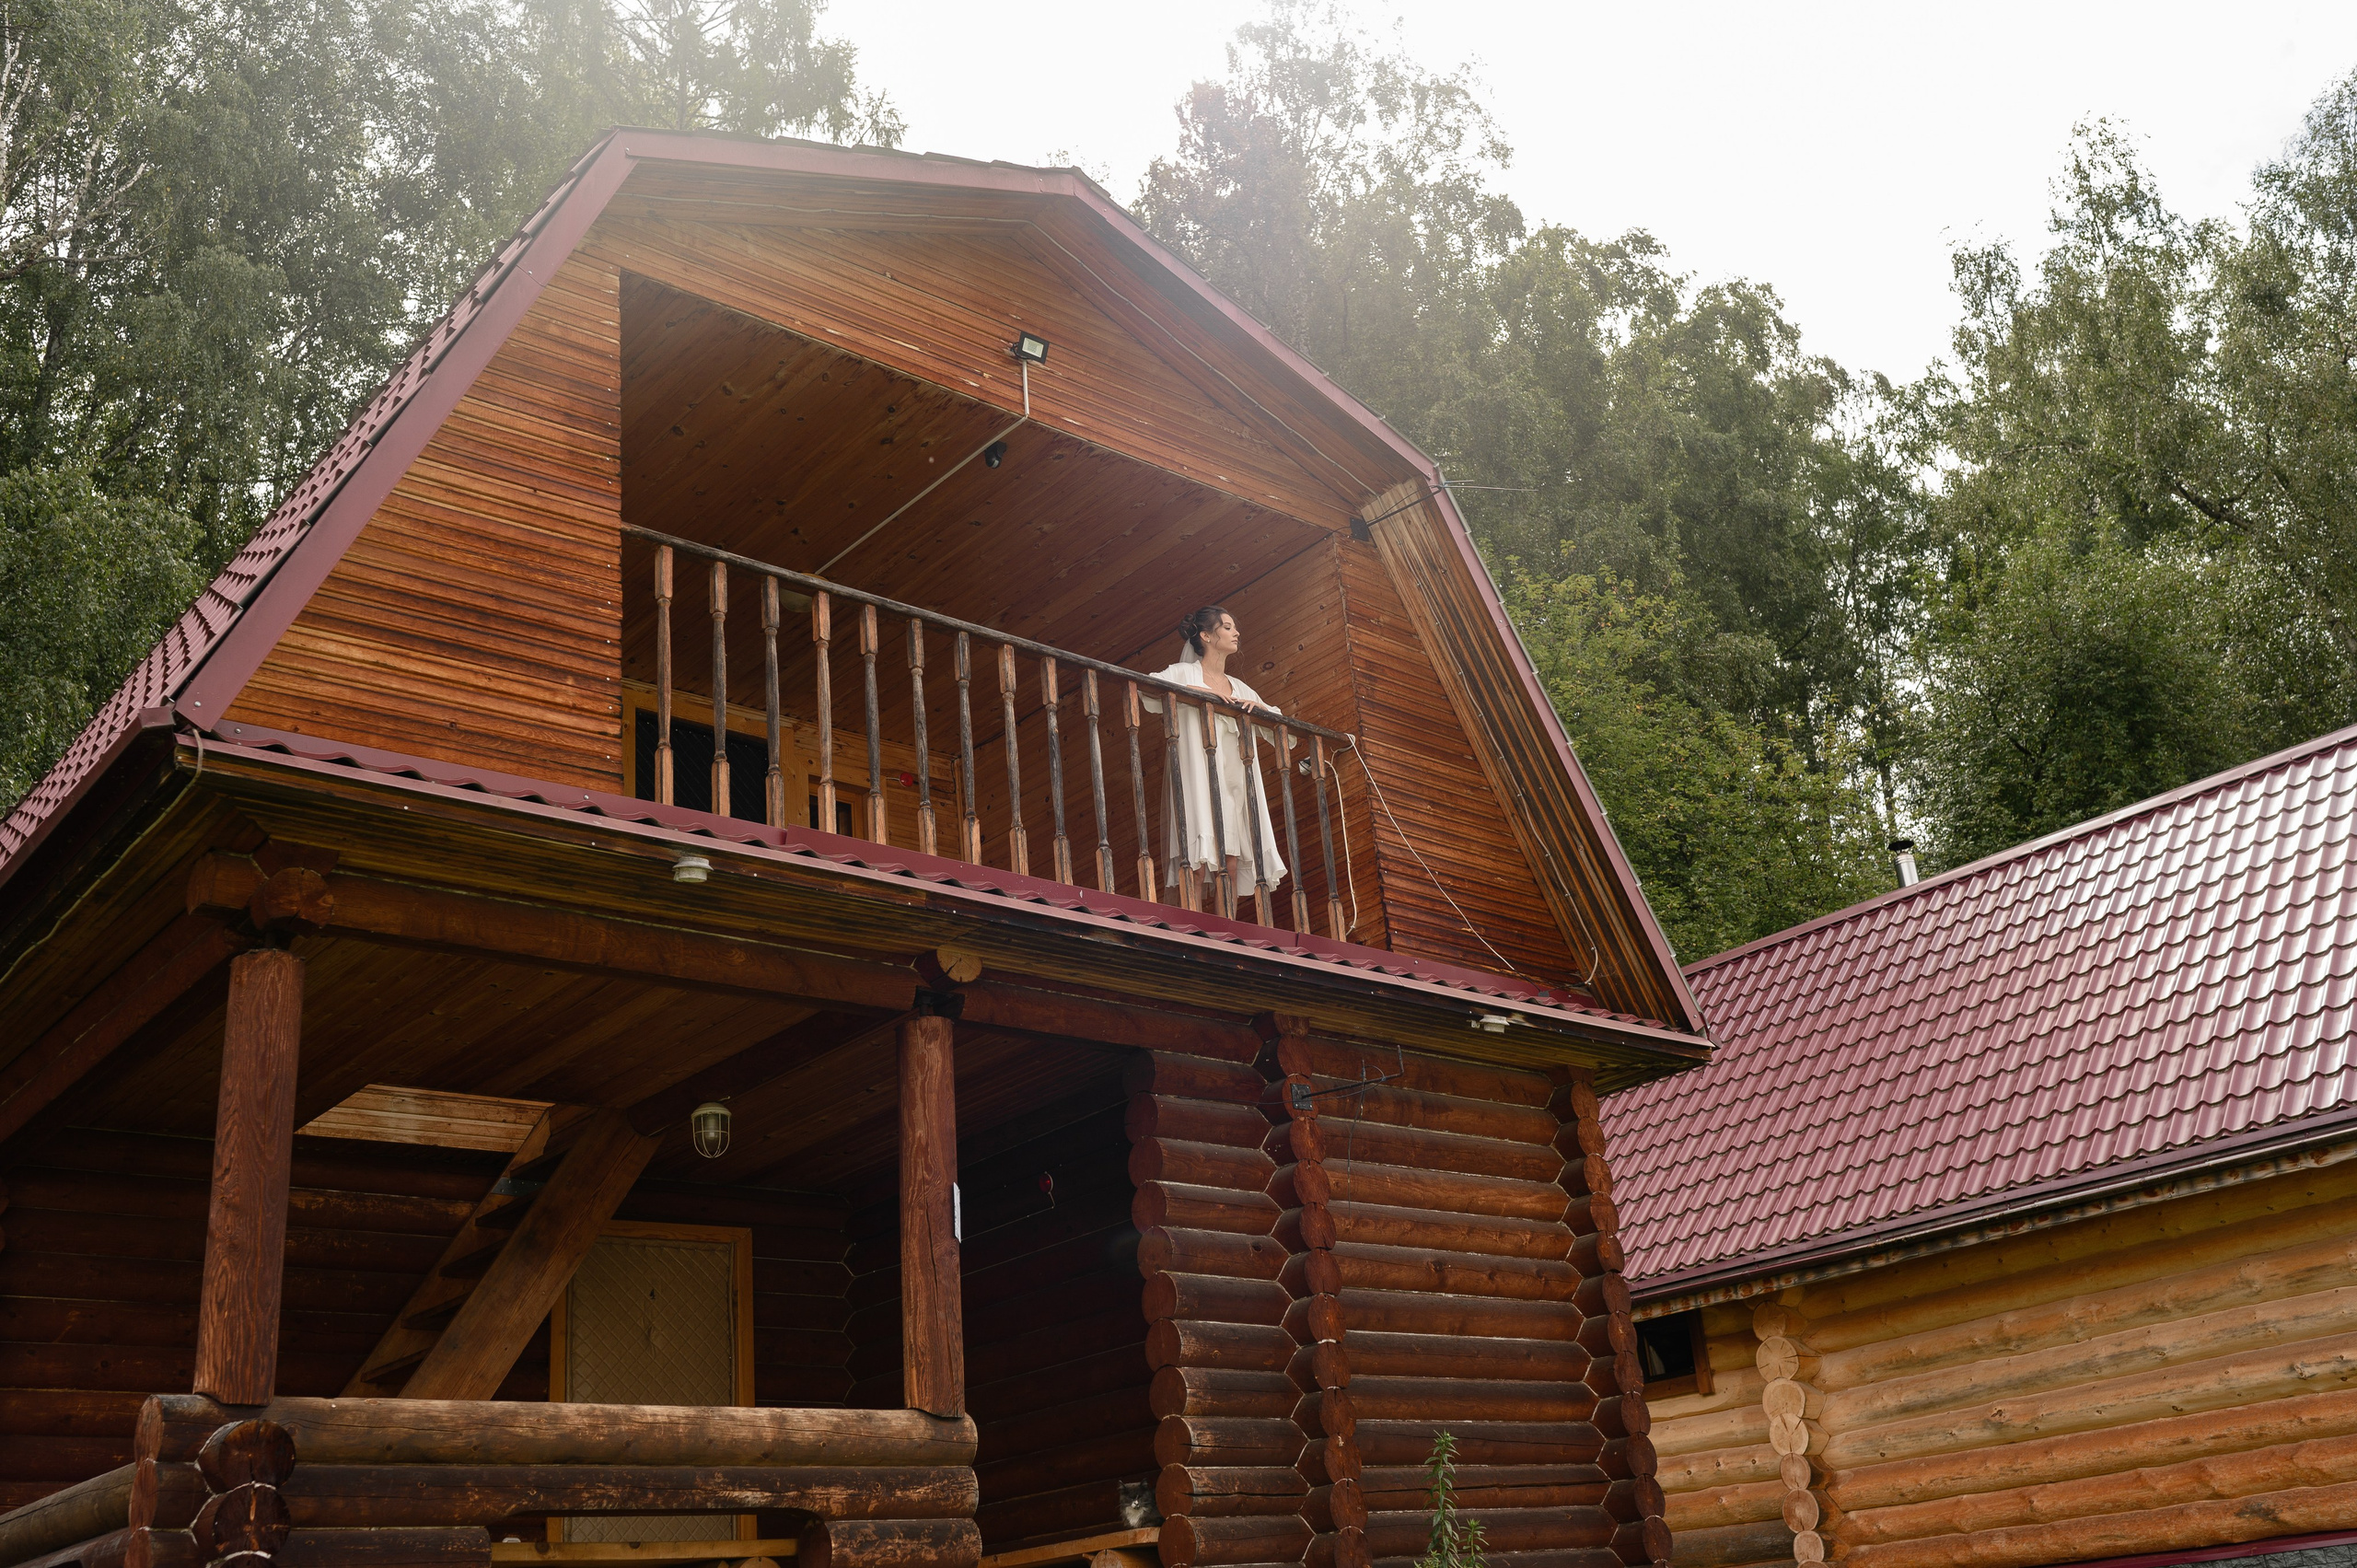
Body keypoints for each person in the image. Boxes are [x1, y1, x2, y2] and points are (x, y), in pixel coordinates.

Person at [1146, 605, 1288, 897]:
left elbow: (1281, 727)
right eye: (1227, 627)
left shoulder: (1240, 688)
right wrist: (1200, 693)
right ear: (1207, 636)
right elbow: (1147, 687)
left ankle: (1227, 922)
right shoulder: (1183, 672)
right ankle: (1193, 920)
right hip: (1197, 777)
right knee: (1196, 863)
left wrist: (1260, 709)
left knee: (1230, 863)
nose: (1236, 633)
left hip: (1233, 782)